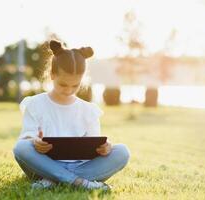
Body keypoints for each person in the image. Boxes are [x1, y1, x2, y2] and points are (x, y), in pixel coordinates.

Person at [12, 40, 130, 190]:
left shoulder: (89, 110)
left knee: (122, 152)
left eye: (75, 85)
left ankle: (53, 180)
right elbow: (27, 136)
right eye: (63, 84)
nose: (68, 90)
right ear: (52, 75)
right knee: (21, 147)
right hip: (45, 163)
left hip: (80, 166)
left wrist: (105, 148)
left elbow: (93, 145)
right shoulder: (35, 104)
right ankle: (81, 183)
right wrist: (35, 141)